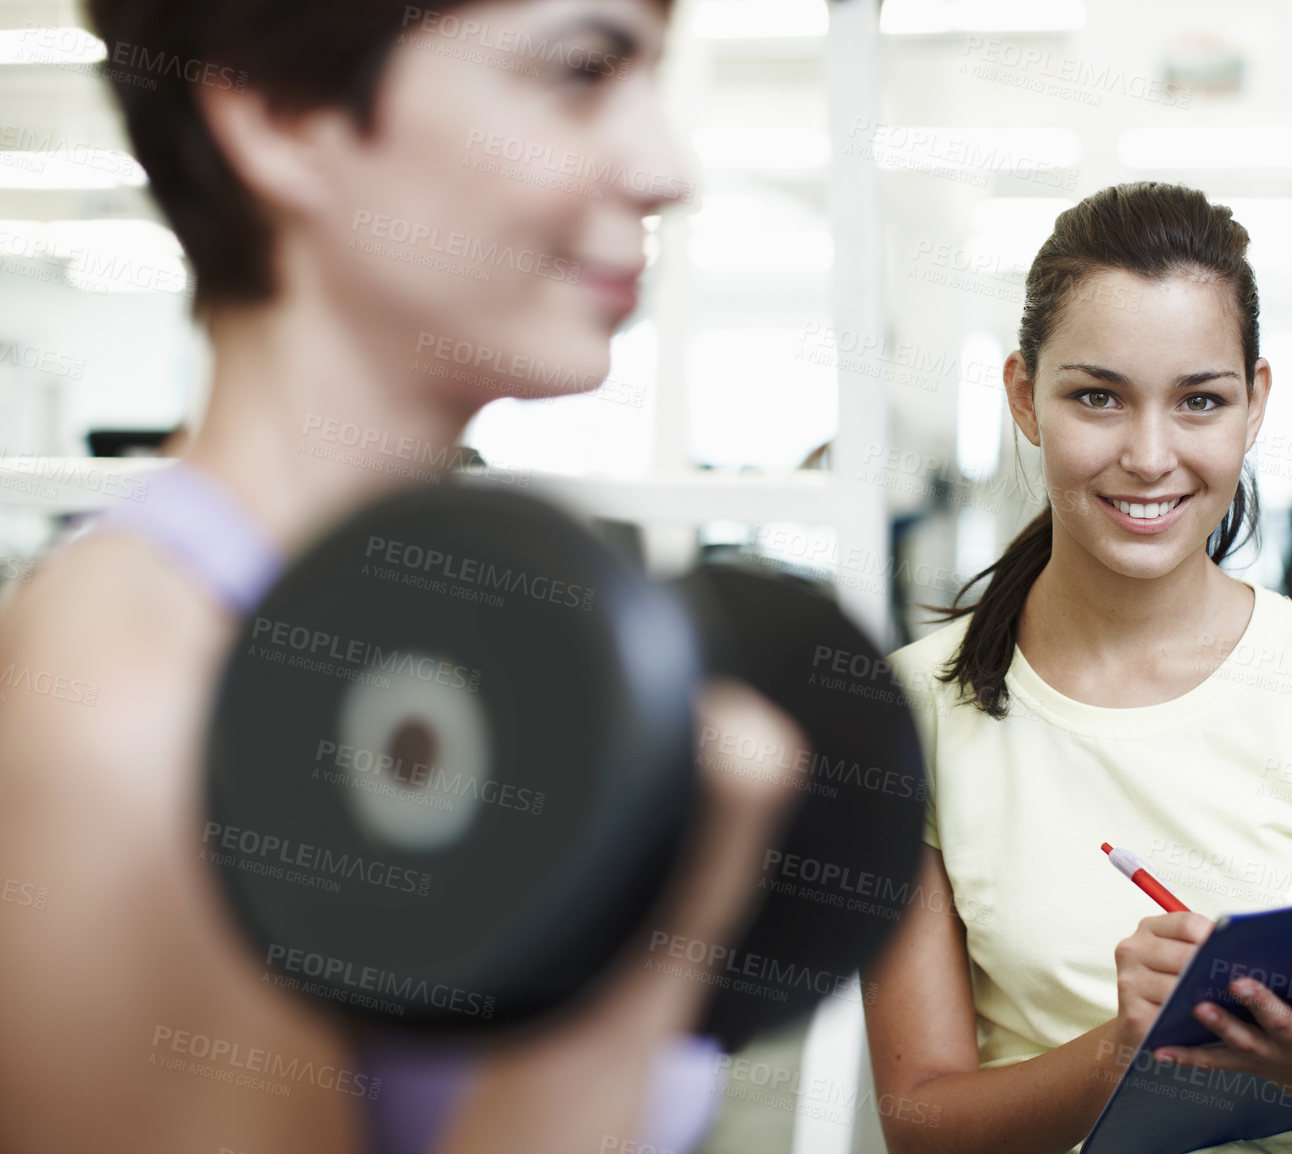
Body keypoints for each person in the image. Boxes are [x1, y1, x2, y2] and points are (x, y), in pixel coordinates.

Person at [0, 3, 814, 1153]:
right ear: (284, 116)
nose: (666, 168)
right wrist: (634, 972)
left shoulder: (454, 628)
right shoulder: (133, 704)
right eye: (581, 71)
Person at [865, 182, 1292, 1154]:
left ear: (1254, 405)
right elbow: (922, 1122)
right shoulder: (911, 713)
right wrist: (1128, 1049)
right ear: (1020, 398)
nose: (1148, 454)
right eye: (1095, 396)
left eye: (1199, 400)